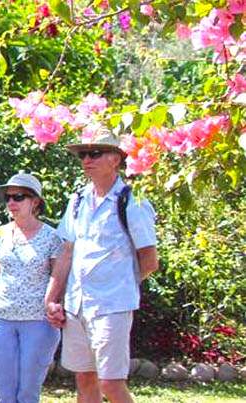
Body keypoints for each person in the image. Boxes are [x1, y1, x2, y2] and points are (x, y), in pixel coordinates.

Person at [46, 135, 159, 403]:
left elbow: (150, 260)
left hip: (111, 306)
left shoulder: (133, 201)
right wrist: (51, 297)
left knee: (110, 383)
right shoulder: (78, 200)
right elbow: (67, 252)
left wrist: (119, 286)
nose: (86, 160)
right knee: (84, 379)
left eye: (94, 153)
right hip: (77, 305)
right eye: (82, 155)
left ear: (115, 159)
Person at [0, 172, 62, 403]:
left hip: (39, 322)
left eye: (19, 197)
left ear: (35, 202)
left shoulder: (52, 237)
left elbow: (59, 280)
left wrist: (58, 309)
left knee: (28, 393)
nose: (11, 202)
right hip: (1, 321)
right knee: (3, 394)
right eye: (8, 197)